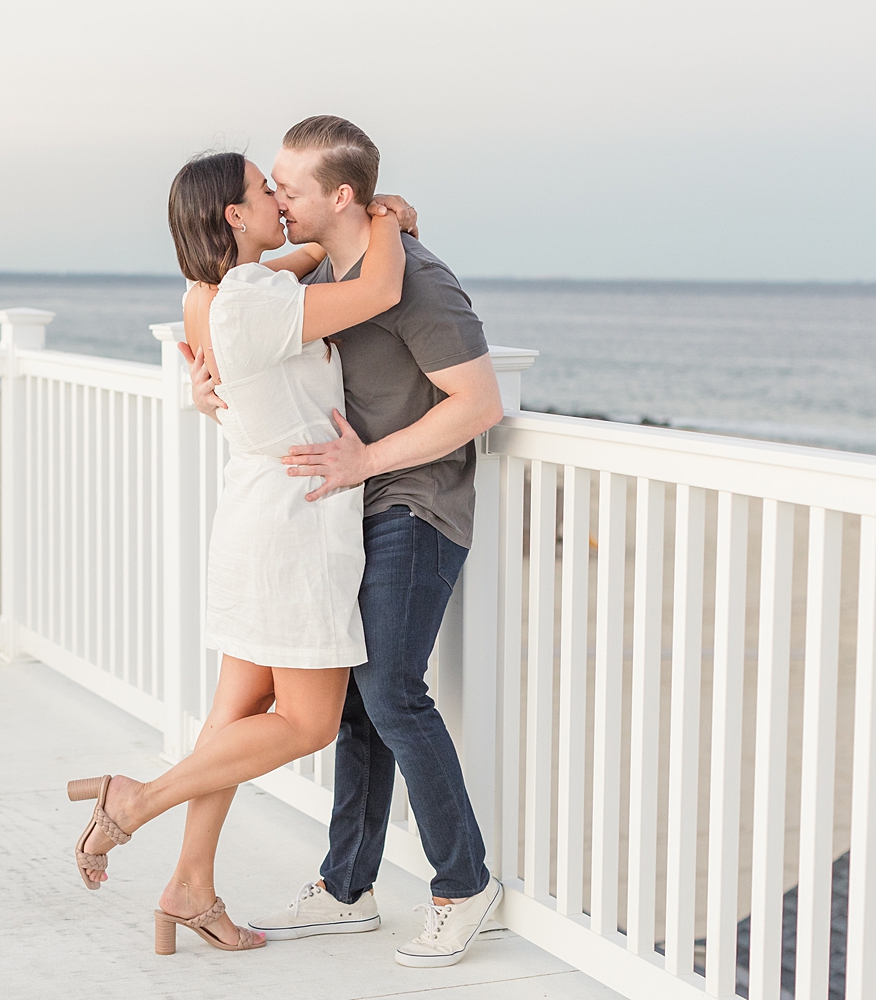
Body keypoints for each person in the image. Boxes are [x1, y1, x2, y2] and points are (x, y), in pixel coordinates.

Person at [67, 149, 416, 956]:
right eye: (266, 192)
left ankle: (189, 885)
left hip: (255, 516)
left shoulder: (209, 293)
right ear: (232, 215)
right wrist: (382, 218)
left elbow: (292, 265)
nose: (281, 203)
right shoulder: (255, 298)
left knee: (233, 717)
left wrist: (330, 234)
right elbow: (381, 290)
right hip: (294, 530)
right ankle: (134, 801)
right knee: (307, 723)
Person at [189, 116, 506, 968]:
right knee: (361, 700)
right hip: (349, 505)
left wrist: (368, 458)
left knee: (390, 690)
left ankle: (464, 884)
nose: (277, 201)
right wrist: (204, 370)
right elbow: (239, 310)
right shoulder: (325, 265)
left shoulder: (421, 284)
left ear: (339, 195)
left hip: (416, 501)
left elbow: (478, 405)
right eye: (272, 188)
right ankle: (346, 888)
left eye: (288, 188)